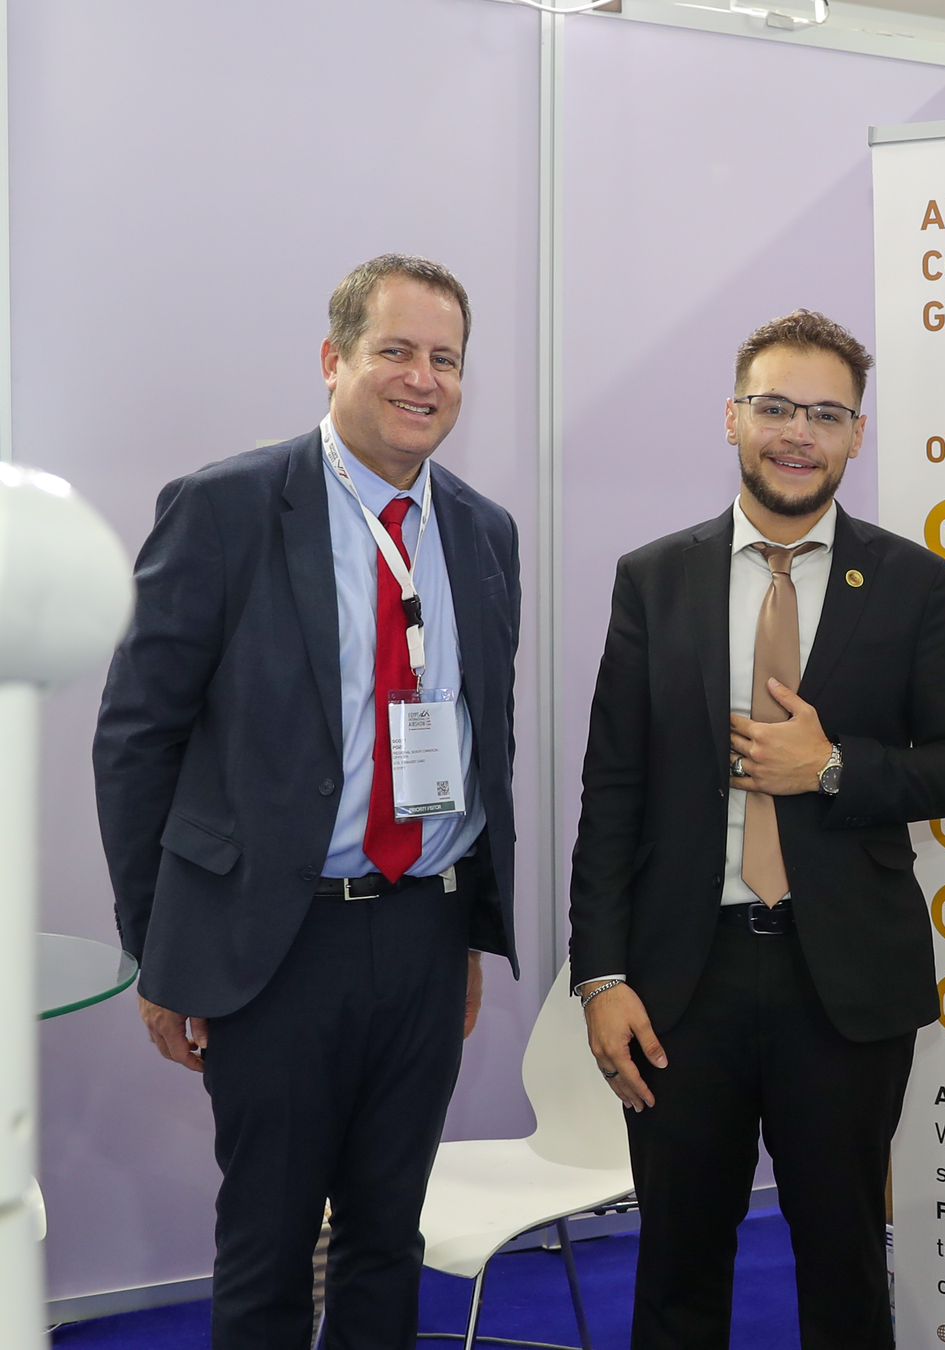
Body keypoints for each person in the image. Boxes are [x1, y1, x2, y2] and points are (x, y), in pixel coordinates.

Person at [93, 254, 521, 1348]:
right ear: (334, 360)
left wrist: (467, 932)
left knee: (388, 1237)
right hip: (275, 944)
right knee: (270, 1244)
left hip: (424, 933)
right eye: (396, 351)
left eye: (446, 359)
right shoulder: (226, 509)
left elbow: (485, 741)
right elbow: (137, 739)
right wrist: (161, 949)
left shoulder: (483, 532)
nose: (423, 378)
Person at [568, 309, 945, 1348]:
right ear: (733, 418)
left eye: (825, 414)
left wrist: (832, 767)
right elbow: (611, 790)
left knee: (845, 1267)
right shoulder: (654, 578)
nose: (798, 433)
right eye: (775, 407)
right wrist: (601, 976)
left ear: (857, 435)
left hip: (843, 984)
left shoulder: (910, 581)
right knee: (677, 1268)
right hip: (682, 984)